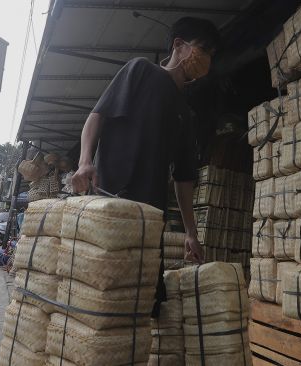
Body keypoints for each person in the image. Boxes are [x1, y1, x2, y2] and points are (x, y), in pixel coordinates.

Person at [71, 17, 219, 266]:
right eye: (202, 49)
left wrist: (191, 233)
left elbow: (183, 179)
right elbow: (97, 115)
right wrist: (84, 162)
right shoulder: (141, 70)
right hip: (108, 198)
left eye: (210, 55)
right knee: (97, 272)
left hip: (148, 215)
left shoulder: (186, 113)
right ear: (179, 45)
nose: (206, 60)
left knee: (141, 287)